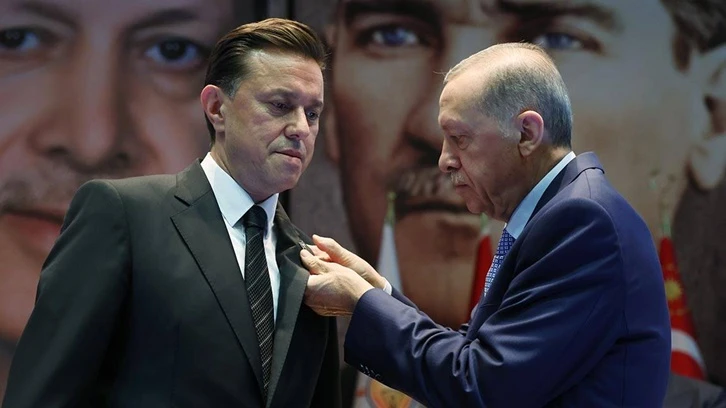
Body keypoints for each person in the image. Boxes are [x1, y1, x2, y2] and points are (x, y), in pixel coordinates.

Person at [295, 0, 726, 388]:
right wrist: (380, 292)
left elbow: (484, 383)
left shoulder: (581, 221)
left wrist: (362, 302)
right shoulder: (559, 213)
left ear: (526, 134)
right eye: (394, 34)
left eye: (459, 139)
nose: (444, 160)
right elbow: (478, 353)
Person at [2, 18, 341, 408]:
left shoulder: (311, 264)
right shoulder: (125, 215)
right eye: (280, 106)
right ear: (217, 108)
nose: (300, 128)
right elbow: (43, 393)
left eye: (312, 113)